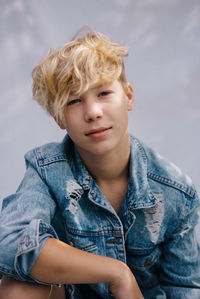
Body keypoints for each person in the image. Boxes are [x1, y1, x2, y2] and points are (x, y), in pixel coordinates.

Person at [0, 27, 199, 299]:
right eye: (74, 101)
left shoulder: (176, 192)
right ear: (59, 118)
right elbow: (9, 242)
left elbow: (185, 289)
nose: (93, 112)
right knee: (17, 290)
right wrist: (116, 272)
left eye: (103, 93)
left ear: (128, 96)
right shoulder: (47, 170)